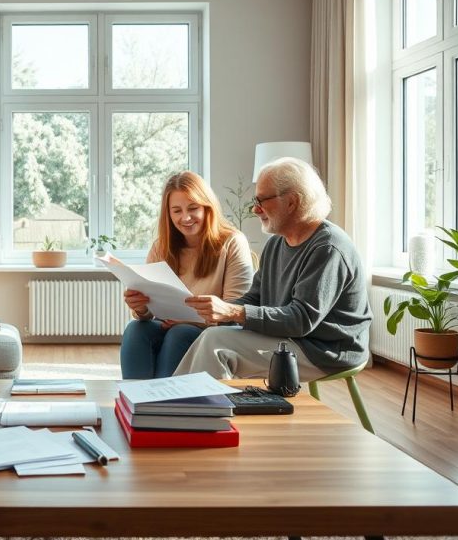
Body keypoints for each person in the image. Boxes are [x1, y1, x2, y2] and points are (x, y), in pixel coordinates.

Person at [173, 157, 372, 381]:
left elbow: (300, 320)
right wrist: (212, 312)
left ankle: (197, 409)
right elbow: (255, 298)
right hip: (291, 339)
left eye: (262, 200)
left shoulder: (328, 248)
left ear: (292, 202)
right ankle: (176, 403)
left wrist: (231, 312)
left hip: (325, 351)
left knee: (215, 343)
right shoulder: (277, 243)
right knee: (212, 336)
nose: (255, 209)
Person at [120, 171, 254, 379]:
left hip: (212, 331)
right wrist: (140, 307)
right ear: (168, 214)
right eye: (176, 211)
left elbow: (235, 312)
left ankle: (166, 403)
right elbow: (148, 314)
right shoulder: (161, 247)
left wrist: (192, 321)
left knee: (179, 334)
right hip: (168, 324)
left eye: (193, 208)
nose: (185, 218)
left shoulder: (232, 242)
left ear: (207, 207)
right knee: (135, 330)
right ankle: (135, 399)